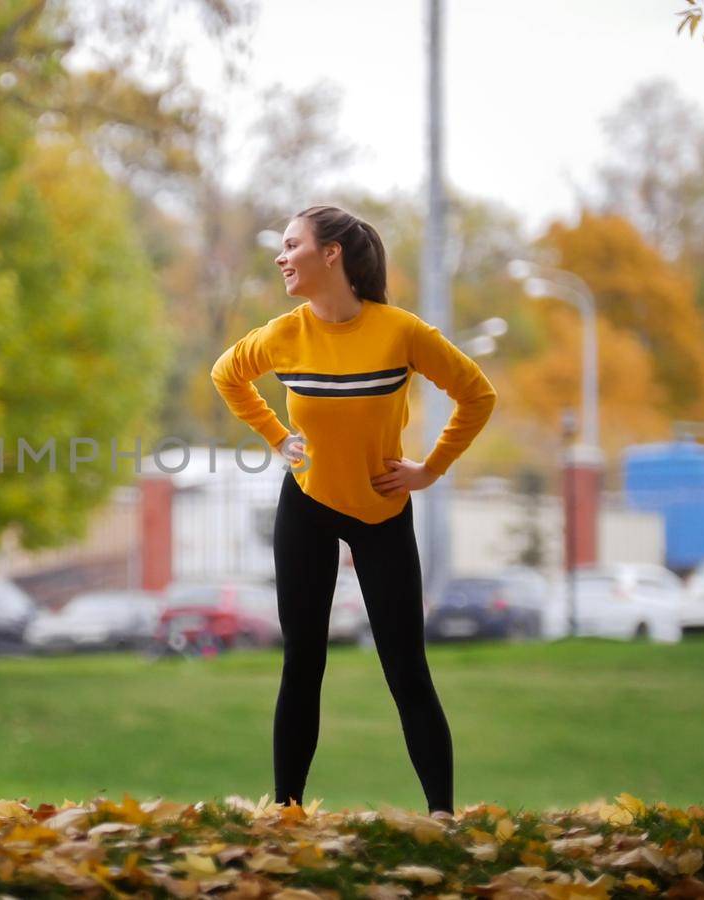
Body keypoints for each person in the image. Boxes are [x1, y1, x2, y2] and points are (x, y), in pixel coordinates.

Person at [211, 206, 497, 813]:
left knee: (407, 673)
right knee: (302, 665)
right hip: (307, 508)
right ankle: (287, 816)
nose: (282, 257)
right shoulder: (284, 334)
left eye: (292, 245)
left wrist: (430, 468)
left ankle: (442, 819)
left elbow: (477, 393)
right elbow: (226, 375)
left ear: (331, 253)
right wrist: (275, 436)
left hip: (383, 514)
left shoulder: (400, 332)